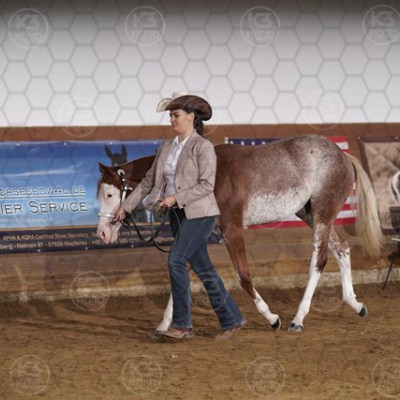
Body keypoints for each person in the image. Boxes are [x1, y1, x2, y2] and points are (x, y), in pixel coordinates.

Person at [113, 92, 245, 340]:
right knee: (204, 269)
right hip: (176, 216)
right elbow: (148, 181)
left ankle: (183, 325)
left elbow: (207, 185)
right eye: (170, 116)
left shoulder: (203, 147)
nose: (171, 120)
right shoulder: (167, 146)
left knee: (176, 260)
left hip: (200, 215)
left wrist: (174, 198)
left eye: (175, 115)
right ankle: (231, 318)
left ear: (191, 117)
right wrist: (126, 207)